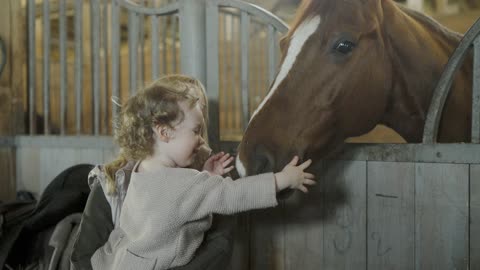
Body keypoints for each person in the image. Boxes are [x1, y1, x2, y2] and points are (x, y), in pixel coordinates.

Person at [87, 74, 316, 270]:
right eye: (196, 131)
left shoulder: (140, 170)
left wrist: (207, 175)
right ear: (164, 132)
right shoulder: (184, 185)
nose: (200, 140)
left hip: (120, 260)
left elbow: (178, 201)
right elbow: (235, 194)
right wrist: (283, 179)